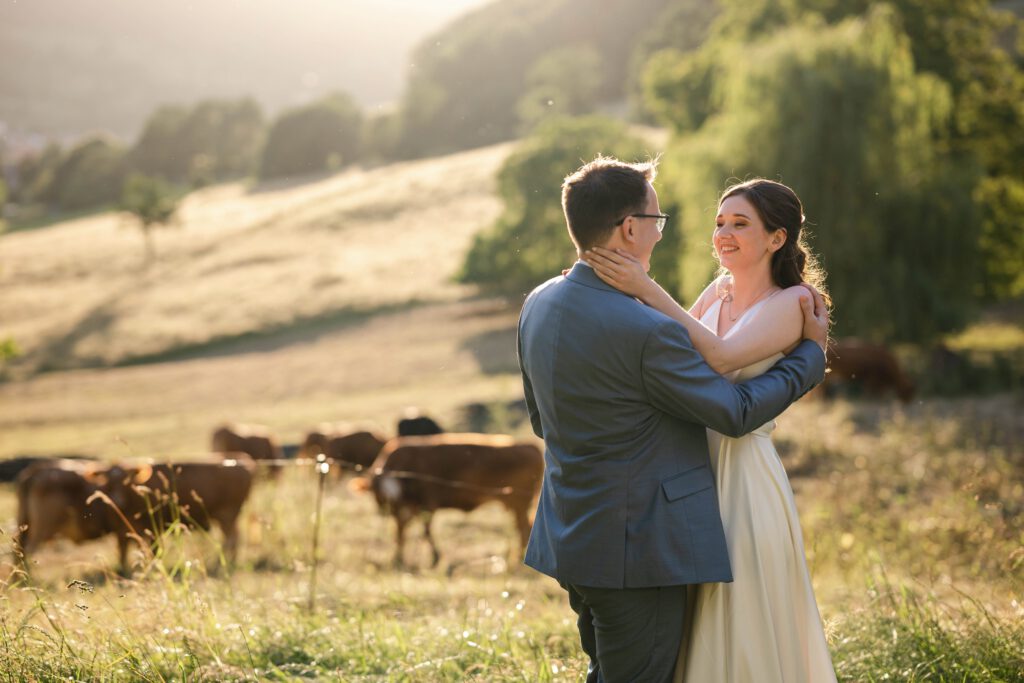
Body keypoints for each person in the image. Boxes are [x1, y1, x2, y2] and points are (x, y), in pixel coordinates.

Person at [516, 156, 829, 683]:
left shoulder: (540, 301)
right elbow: (734, 411)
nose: (660, 234)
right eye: (656, 221)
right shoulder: (647, 329)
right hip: (639, 547)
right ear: (630, 228)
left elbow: (540, 422)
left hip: (572, 536)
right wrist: (810, 359)